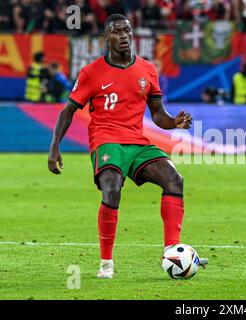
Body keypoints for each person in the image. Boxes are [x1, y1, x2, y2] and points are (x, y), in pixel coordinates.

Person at [47, 14, 208, 279]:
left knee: (174, 179)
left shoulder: (147, 69)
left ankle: (171, 251)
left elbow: (157, 114)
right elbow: (68, 111)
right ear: (106, 37)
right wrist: (55, 147)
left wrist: (174, 122)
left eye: (127, 31)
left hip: (137, 142)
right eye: (116, 32)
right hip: (106, 139)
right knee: (112, 188)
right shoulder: (91, 72)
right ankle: (106, 263)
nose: (123, 36)